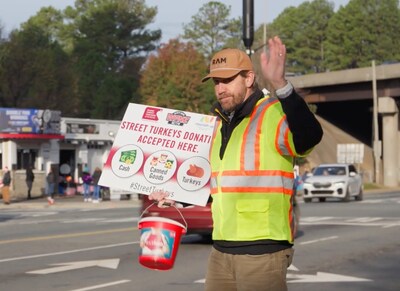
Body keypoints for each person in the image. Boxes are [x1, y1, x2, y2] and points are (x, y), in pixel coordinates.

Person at [149, 36, 323, 291]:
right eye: (216, 82)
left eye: (228, 80)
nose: (220, 88)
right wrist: (176, 197)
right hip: (221, 249)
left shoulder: (272, 112)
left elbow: (310, 136)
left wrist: (281, 85)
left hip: (263, 249)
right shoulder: (217, 124)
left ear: (249, 79)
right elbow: (213, 183)